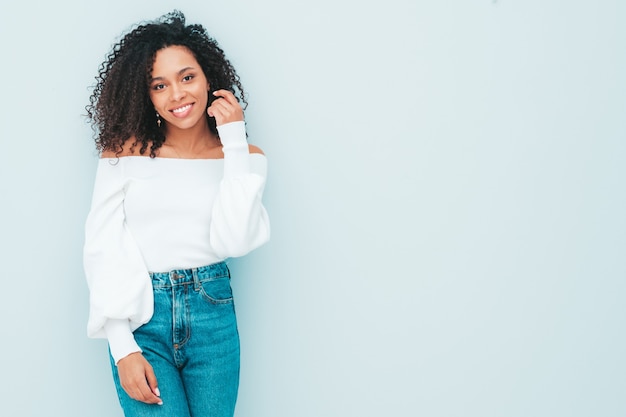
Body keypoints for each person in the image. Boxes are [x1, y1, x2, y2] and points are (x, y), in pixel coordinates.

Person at [83, 10, 270, 417]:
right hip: (142, 316)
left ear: (209, 79)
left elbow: (235, 242)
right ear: (145, 94)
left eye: (187, 78)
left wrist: (234, 141)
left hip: (213, 317)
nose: (177, 95)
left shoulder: (243, 158)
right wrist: (122, 347)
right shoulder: (124, 152)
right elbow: (103, 246)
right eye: (159, 85)